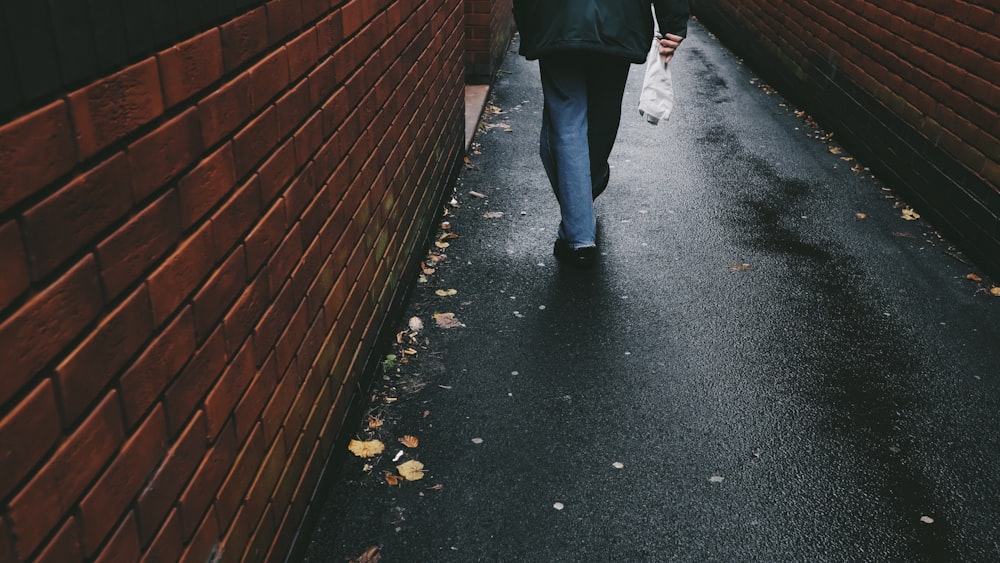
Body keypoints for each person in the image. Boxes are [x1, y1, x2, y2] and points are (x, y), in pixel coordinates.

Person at [513, 0, 690, 267]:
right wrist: (673, 22)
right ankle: (589, 186)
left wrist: (529, 21)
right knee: (604, 114)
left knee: (566, 122)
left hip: (557, 17)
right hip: (620, 17)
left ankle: (578, 232)